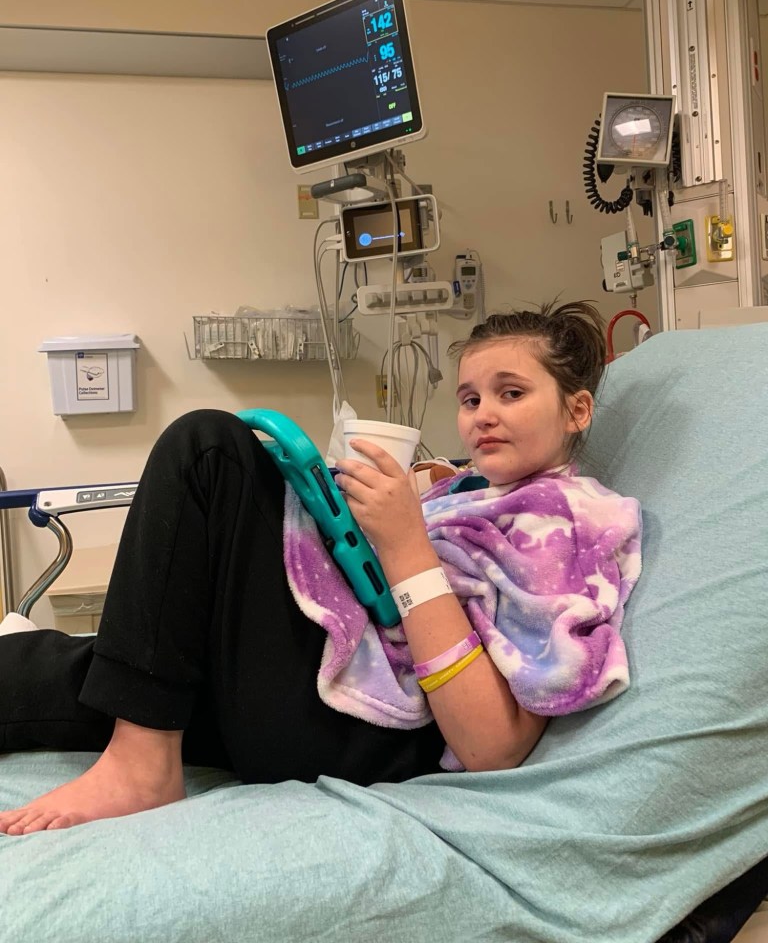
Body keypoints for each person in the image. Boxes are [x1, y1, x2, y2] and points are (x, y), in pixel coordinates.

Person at [0, 300, 641, 835]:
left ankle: (142, 769)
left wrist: (406, 546)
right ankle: (134, 733)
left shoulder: (567, 527)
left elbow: (491, 746)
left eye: (512, 393)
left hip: (366, 732)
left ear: (577, 410)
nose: (483, 415)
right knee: (85, 672)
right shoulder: (473, 492)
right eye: (470, 398)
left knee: (209, 452)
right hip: (329, 680)